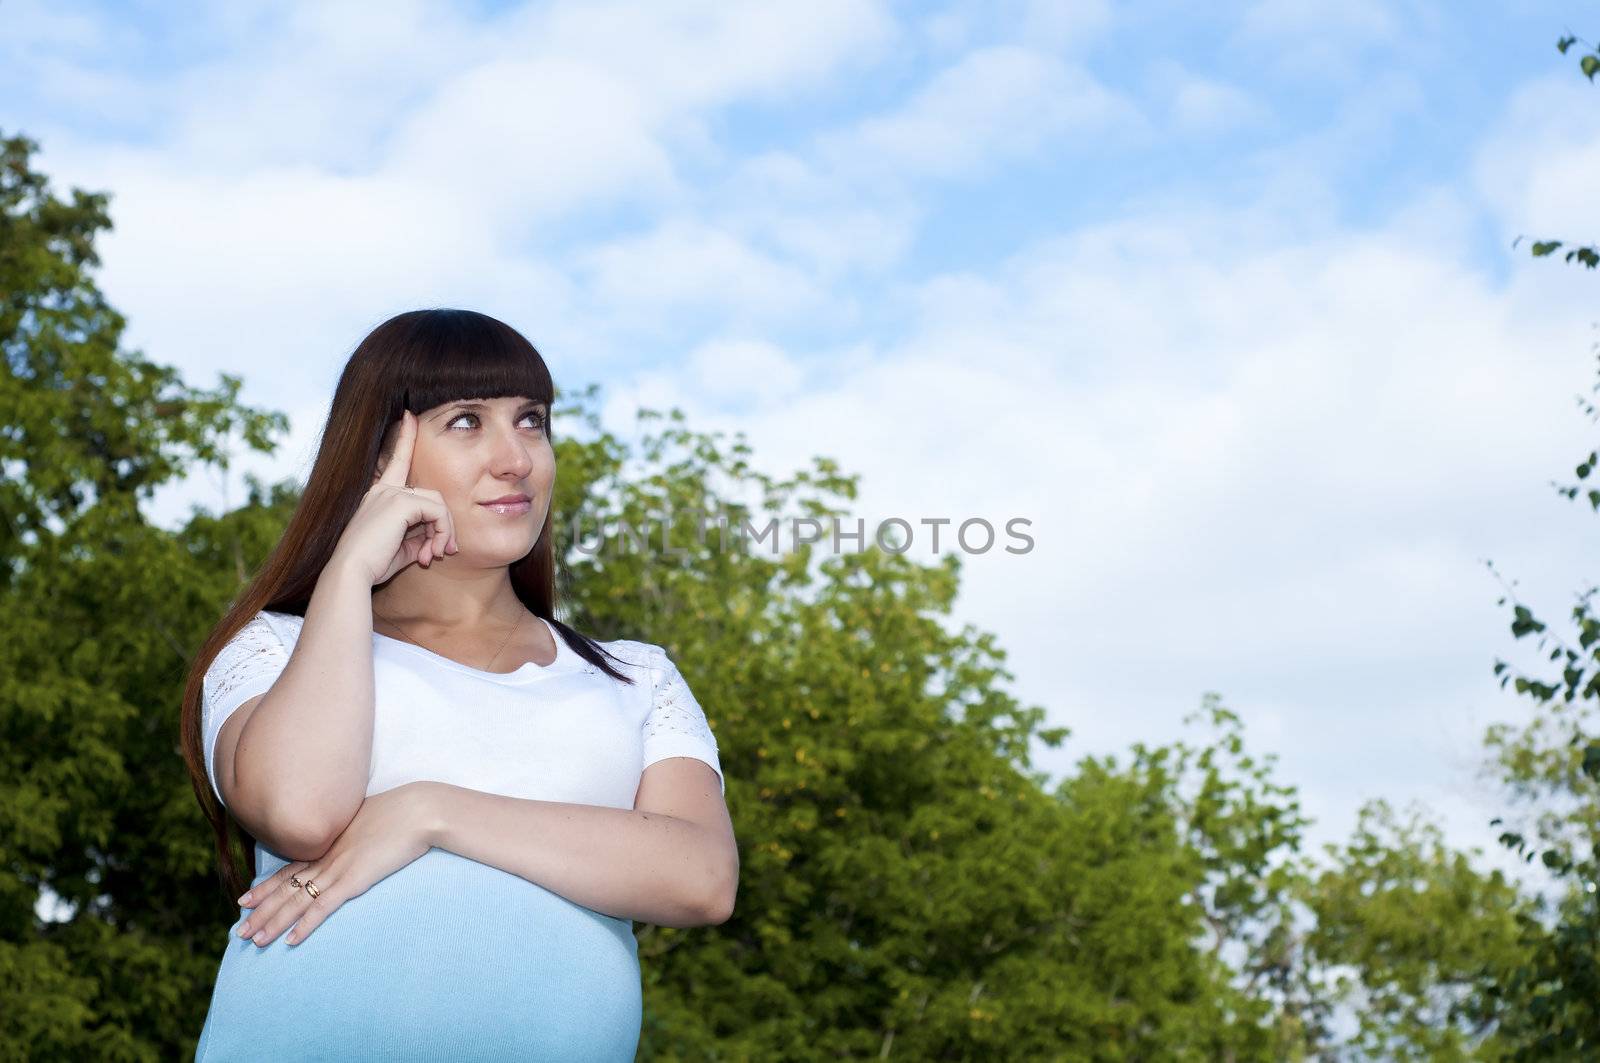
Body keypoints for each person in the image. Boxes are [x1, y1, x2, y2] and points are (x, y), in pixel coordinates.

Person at [177, 308, 736, 1061]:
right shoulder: (278, 647)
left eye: (531, 420)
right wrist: (347, 570)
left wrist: (429, 811)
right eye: (467, 421)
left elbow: (701, 878)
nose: (516, 459)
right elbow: (299, 812)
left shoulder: (636, 677)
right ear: (382, 454)